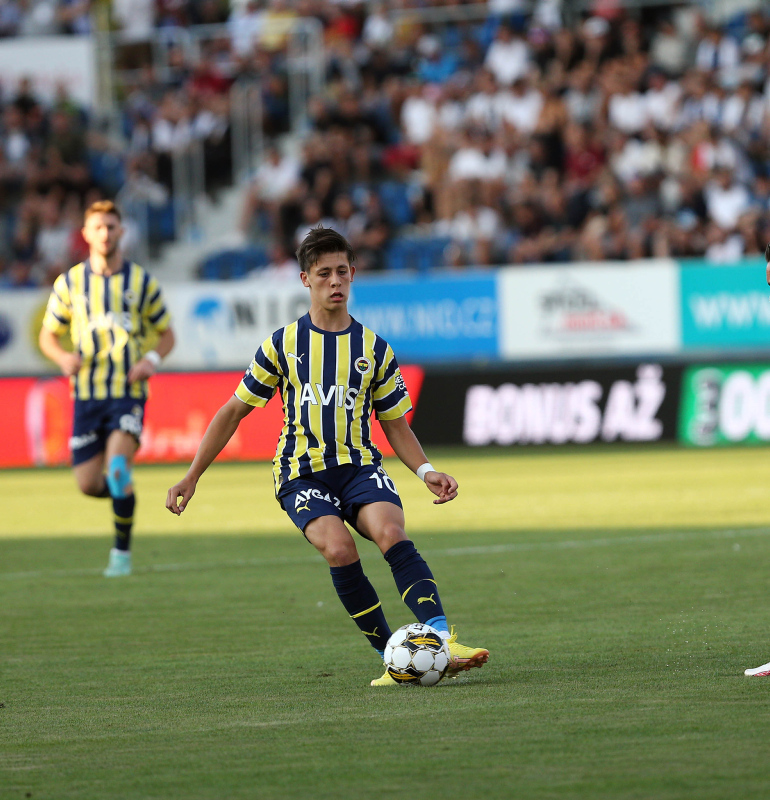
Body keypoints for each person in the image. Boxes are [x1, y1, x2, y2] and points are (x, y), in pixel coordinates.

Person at [166, 226, 489, 686]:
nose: (335, 281)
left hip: (359, 467)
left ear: (353, 274)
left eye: (342, 272)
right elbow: (233, 411)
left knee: (391, 532)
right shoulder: (282, 345)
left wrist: (426, 470)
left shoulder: (374, 350)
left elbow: (394, 423)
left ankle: (441, 636)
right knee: (339, 549)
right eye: (324, 273)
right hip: (301, 475)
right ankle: (391, 657)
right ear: (305, 280)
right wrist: (192, 476)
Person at [39, 200, 175, 577]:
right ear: (85, 234)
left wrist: (151, 361)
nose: (105, 233)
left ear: (121, 231)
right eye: (98, 227)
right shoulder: (69, 283)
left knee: (116, 468)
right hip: (85, 395)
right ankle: (124, 494)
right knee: (88, 484)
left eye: (111, 226)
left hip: (126, 392)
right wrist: (63, 358)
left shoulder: (141, 282)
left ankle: (121, 556)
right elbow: (48, 336)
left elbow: (167, 334)